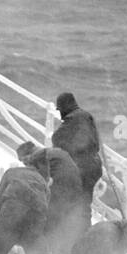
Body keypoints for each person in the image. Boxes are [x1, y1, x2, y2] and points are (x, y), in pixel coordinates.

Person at [28, 144, 86, 254]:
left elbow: (38, 182)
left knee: (50, 222)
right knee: (63, 224)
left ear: (29, 155)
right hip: (75, 190)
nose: (24, 163)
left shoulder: (37, 158)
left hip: (61, 191)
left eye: (23, 159)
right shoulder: (56, 152)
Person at [50, 92, 103, 221]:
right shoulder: (87, 116)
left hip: (83, 169)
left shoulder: (73, 118)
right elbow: (95, 144)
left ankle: (74, 229)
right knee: (84, 203)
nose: (60, 114)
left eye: (60, 110)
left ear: (65, 107)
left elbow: (56, 138)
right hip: (94, 166)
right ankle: (83, 229)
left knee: (74, 203)